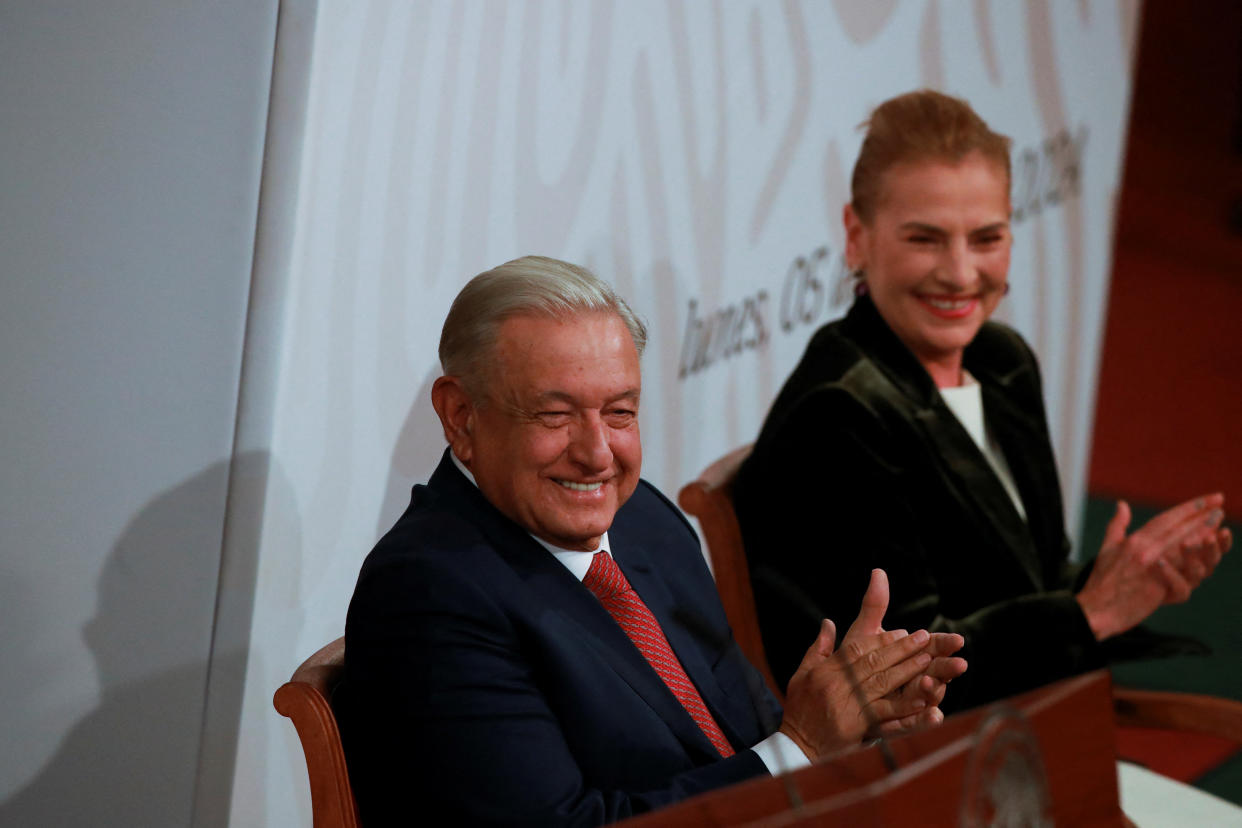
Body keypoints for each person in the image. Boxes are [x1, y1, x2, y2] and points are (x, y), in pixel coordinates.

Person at [334, 255, 967, 826]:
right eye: (554, 415)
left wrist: (855, 731)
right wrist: (801, 748)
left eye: (620, 412)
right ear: (461, 416)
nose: (597, 454)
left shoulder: (646, 523)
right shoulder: (428, 594)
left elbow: (743, 733)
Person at [733, 90, 1231, 714]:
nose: (961, 273)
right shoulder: (839, 413)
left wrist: (1132, 583)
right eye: (925, 239)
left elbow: (1027, 582)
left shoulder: (1003, 361)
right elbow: (908, 676)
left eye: (987, 237)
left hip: (1029, 734)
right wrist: (1092, 613)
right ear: (857, 238)